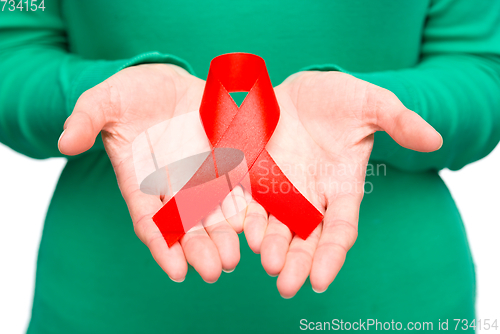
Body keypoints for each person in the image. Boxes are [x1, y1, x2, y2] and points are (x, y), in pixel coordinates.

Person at [1, 0, 499, 333]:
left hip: (396, 306)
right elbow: (13, 52)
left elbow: (482, 66)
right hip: (102, 306)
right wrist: (103, 95)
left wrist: (385, 111)